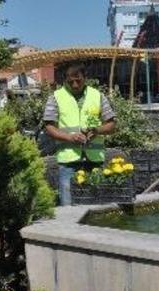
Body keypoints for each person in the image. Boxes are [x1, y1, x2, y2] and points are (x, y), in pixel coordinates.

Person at [43, 63, 116, 206]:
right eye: (70, 82)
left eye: (78, 81)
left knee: (97, 205)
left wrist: (96, 131)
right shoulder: (56, 97)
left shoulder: (98, 96)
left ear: (85, 78)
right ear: (65, 80)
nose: (75, 85)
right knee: (68, 205)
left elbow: (112, 124)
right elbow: (49, 127)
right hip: (68, 161)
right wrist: (70, 137)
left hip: (94, 160)